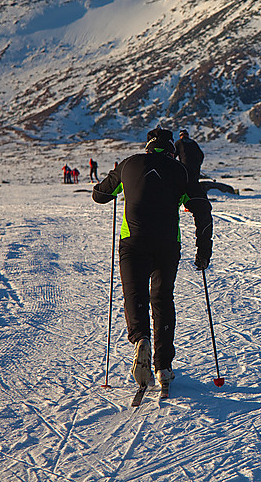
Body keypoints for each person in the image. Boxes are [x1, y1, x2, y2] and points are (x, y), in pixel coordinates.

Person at [92, 126, 213, 390]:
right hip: (168, 243)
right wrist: (204, 251)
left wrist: (109, 182)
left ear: (147, 146)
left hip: (132, 241)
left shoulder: (129, 164)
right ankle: (163, 367)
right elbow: (202, 210)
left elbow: (100, 196)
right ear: (171, 149)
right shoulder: (181, 171)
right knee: (162, 298)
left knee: (134, 294)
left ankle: (140, 339)